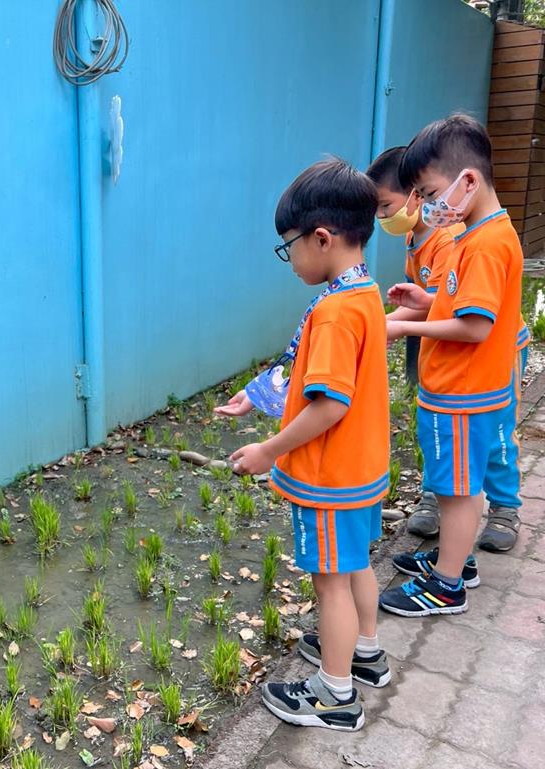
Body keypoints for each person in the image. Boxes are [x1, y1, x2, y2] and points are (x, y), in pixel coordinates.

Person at [215, 158, 390, 731]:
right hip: (362, 469)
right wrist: (255, 395)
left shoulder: (336, 312)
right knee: (355, 565)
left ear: (321, 237)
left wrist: (269, 450)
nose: (289, 260)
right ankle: (364, 653)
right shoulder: (362, 292)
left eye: (288, 246)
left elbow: (330, 404)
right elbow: (309, 372)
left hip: (330, 477)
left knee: (330, 583)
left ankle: (335, 695)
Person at [379, 114, 523, 618]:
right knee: (453, 486)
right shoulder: (476, 234)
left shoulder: (484, 245)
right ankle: (455, 560)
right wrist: (428, 299)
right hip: (461, 391)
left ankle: (447, 585)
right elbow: (464, 304)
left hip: (463, 394)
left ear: (468, 181)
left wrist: (406, 328)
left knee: (458, 492)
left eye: (429, 192)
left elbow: (475, 327)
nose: (427, 205)